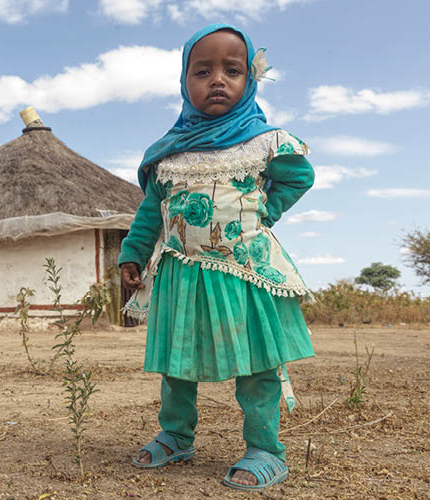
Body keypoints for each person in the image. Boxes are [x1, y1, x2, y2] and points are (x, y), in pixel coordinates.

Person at [118, 23, 315, 491]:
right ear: (184, 82)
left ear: (250, 80)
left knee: (257, 366)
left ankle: (266, 449)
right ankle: (175, 435)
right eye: (202, 71)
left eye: (233, 70)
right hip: (181, 275)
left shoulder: (265, 141)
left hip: (244, 272)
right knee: (177, 364)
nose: (218, 80)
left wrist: (265, 208)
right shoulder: (169, 154)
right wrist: (133, 252)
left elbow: (298, 177)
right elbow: (151, 212)